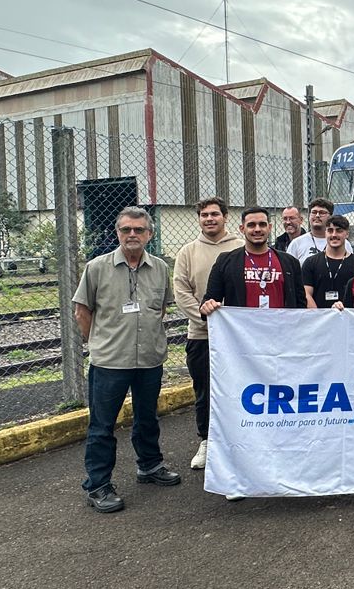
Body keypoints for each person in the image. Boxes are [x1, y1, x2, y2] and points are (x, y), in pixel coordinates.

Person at [73, 206, 180, 513]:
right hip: (110, 361)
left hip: (148, 359)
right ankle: (98, 485)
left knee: (147, 417)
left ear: (149, 234)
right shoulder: (97, 267)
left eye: (138, 230)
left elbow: (160, 308)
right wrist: (98, 343)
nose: (132, 235)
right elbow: (83, 311)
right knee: (102, 426)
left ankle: (149, 465)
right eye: (126, 230)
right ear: (117, 233)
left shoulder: (160, 267)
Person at [172, 196, 242, 471]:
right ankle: (206, 440)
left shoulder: (240, 247)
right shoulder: (187, 252)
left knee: (239, 389)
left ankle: (240, 438)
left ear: (226, 217)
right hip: (202, 336)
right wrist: (206, 318)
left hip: (239, 339)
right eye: (204, 215)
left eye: (214, 214)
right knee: (204, 390)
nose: (209, 219)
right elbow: (181, 292)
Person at [201, 207, 307, 313]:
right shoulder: (225, 261)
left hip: (281, 328)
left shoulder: (290, 262)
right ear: (242, 229)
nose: (257, 229)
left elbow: (301, 304)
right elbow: (210, 300)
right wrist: (207, 306)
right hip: (241, 328)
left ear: (269, 227)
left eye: (262, 224)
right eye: (251, 225)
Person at [301, 214, 354, 310]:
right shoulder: (310, 262)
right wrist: (319, 317)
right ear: (325, 233)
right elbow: (306, 294)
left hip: (348, 319)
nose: (334, 235)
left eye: (339, 231)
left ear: (347, 233)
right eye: (330, 231)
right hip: (319, 320)